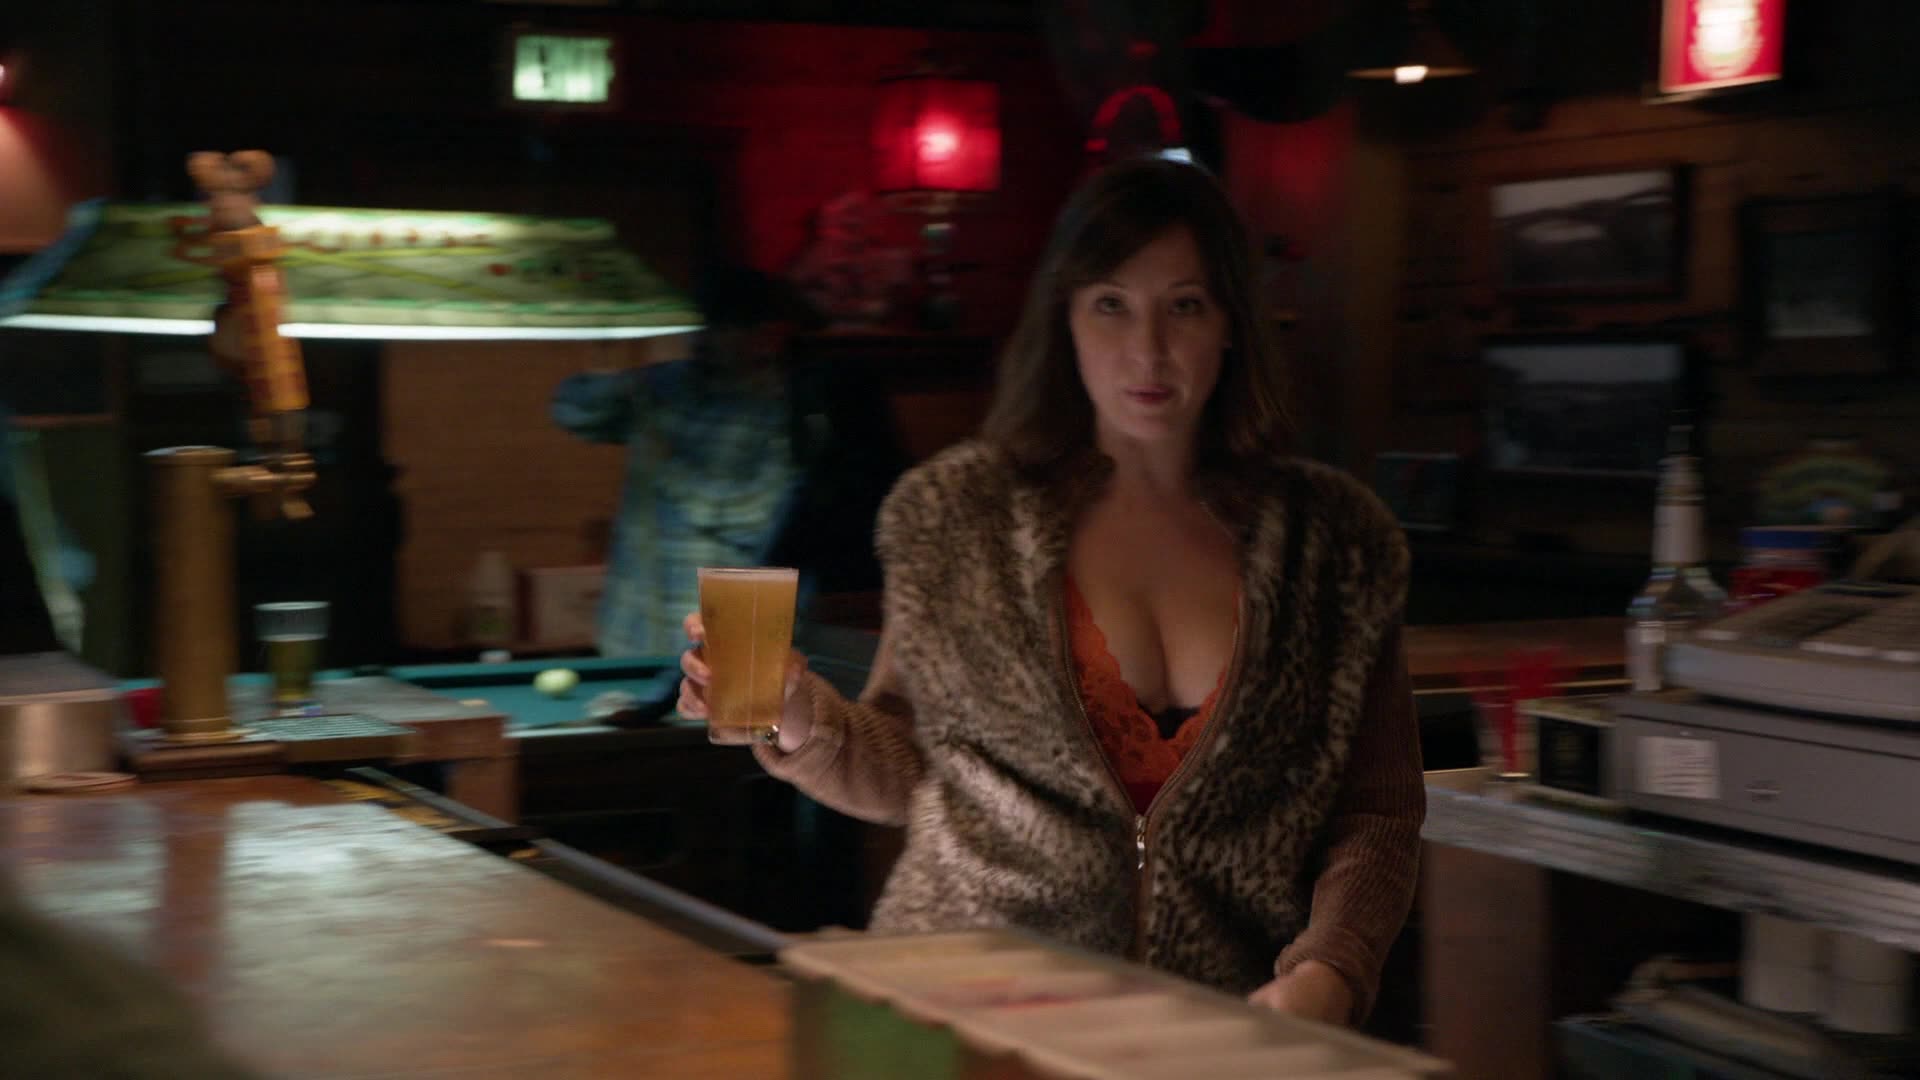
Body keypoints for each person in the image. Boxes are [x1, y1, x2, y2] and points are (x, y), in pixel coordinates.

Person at [677, 158, 1424, 1027]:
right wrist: (795, 714)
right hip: (960, 1015)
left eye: (1185, 305)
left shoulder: (1336, 545)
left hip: (1214, 1029)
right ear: (1065, 318)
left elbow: (1376, 810)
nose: (1148, 350)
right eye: (1111, 304)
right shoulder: (958, 517)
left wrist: (1331, 970)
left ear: (1231, 324)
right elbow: (912, 761)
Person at [552, 265, 897, 659]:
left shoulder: (794, 414)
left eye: (719, 328)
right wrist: (614, 357)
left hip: (730, 649)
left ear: (769, 337)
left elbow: (748, 519)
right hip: (632, 633)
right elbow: (570, 410)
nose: (701, 339)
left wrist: (662, 454)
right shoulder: (665, 387)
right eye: (699, 326)